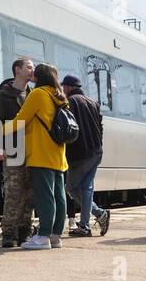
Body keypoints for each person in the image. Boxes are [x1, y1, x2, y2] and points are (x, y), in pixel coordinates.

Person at [7, 63, 70, 250]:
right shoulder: (58, 95)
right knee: (59, 196)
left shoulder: (38, 94)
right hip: (58, 153)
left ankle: (43, 236)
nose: (32, 74)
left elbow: (20, 120)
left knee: (45, 196)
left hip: (41, 153)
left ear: (40, 76)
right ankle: (55, 236)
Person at [0, 57, 35, 248]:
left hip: (32, 151)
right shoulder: (3, 95)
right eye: (29, 67)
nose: (32, 70)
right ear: (18, 70)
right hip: (12, 151)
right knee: (14, 192)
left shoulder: (33, 94)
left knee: (30, 193)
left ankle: (25, 231)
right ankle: (8, 232)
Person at [61, 74, 110, 237]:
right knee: (86, 187)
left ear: (67, 87)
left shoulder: (71, 102)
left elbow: (69, 127)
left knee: (71, 188)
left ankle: (89, 221)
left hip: (80, 153)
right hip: (96, 151)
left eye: (63, 87)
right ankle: (93, 219)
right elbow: (101, 128)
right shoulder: (93, 103)